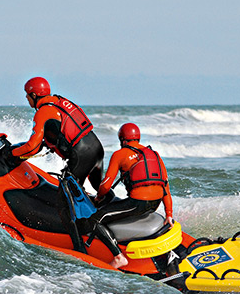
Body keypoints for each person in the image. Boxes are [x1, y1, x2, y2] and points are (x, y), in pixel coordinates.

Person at [91, 122, 174, 269]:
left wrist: (98, 197)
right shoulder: (154, 155)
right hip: (155, 204)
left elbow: (105, 185)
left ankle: (118, 257)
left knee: (96, 219)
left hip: (139, 203)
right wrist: (169, 214)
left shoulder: (120, 154)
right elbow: (165, 186)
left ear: (122, 139)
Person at [10, 77, 105, 193]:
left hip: (82, 155)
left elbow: (32, 148)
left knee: (67, 195)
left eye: (27, 94)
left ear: (34, 95)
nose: (26, 97)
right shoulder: (59, 101)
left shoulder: (43, 112)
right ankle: (113, 205)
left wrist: (11, 154)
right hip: (96, 148)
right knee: (101, 191)